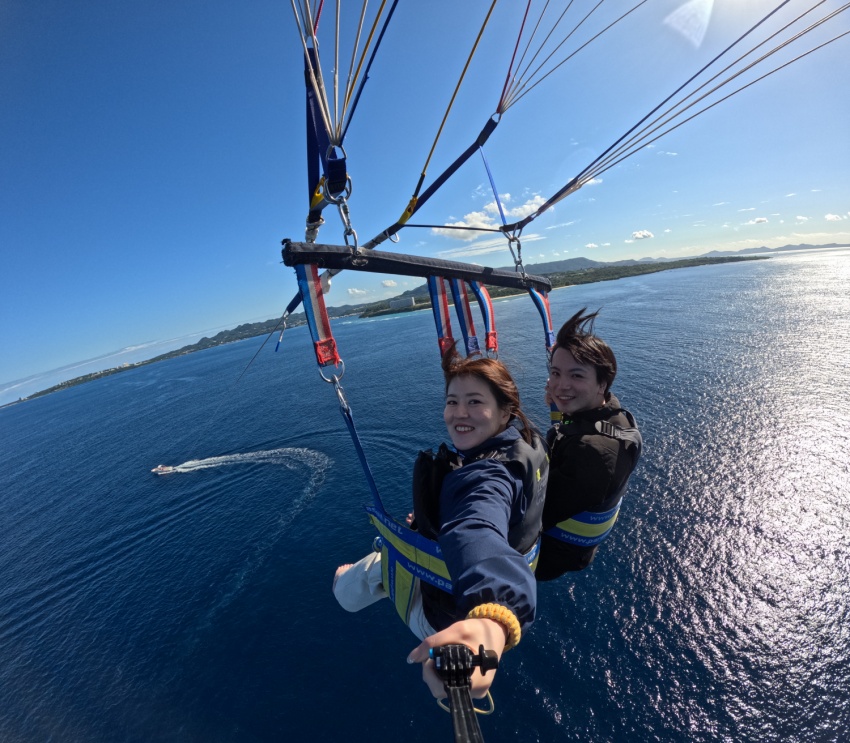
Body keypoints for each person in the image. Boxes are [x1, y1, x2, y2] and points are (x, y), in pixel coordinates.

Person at [333, 345, 548, 699]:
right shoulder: (527, 441)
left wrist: (490, 627)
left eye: (475, 402)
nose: (458, 413)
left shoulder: (485, 479)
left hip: (444, 619)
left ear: (507, 410)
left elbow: (477, 529)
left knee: (373, 566)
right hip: (479, 581)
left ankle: (343, 583)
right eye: (452, 401)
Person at [536, 308, 642, 581]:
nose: (561, 385)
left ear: (601, 384)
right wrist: (562, 409)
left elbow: (532, 517)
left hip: (549, 555)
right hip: (574, 541)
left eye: (576, 376)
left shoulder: (593, 453)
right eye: (556, 373)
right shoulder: (616, 417)